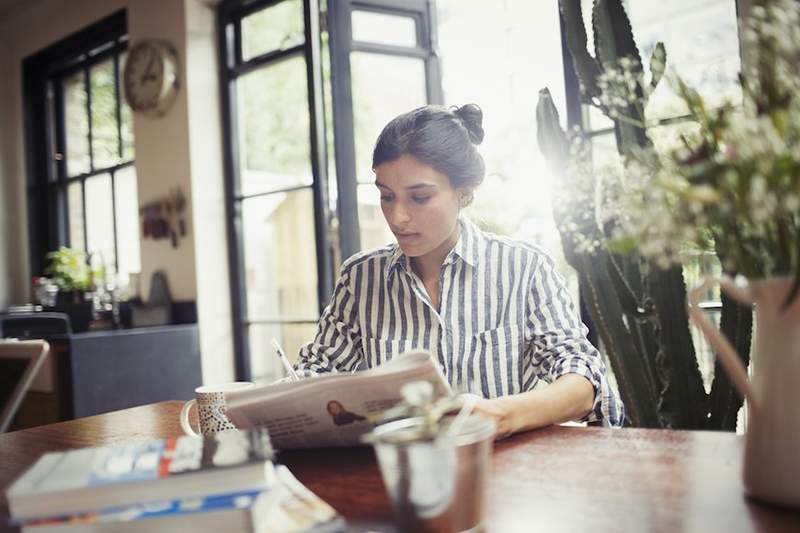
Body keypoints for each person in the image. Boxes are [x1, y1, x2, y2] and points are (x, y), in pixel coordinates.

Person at [297, 104, 624, 436]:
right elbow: (314, 375)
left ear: (464, 193)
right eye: (386, 197)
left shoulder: (524, 269)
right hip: (401, 473)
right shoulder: (360, 279)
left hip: (502, 472)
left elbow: (584, 382)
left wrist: (501, 415)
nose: (398, 217)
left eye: (419, 197)